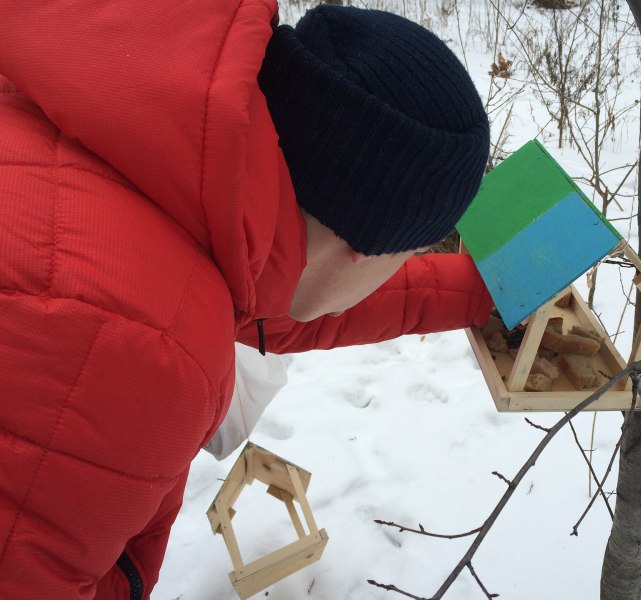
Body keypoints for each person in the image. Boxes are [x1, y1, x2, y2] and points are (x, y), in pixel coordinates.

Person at [0, 2, 492, 598]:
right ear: (365, 247)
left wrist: (480, 292)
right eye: (407, 255)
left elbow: (288, 303)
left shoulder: (166, 162)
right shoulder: (141, 351)